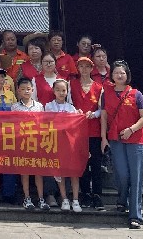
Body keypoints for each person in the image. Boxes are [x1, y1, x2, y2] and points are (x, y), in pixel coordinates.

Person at [100, 60, 143, 230]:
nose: (119, 75)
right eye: (116, 73)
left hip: (135, 140)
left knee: (135, 177)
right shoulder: (106, 93)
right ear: (111, 75)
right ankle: (122, 200)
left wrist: (131, 129)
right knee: (121, 174)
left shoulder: (136, 94)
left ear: (127, 75)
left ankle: (135, 215)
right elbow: (104, 117)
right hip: (115, 138)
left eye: (122, 73)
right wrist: (103, 138)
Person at [70, 55, 105, 209]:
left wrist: (94, 114)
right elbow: (68, 103)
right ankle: (85, 194)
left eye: (87, 66)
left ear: (92, 69)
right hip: (77, 131)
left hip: (94, 130)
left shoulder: (99, 87)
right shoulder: (72, 85)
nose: (84, 69)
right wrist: (75, 110)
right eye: (81, 66)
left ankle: (97, 195)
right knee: (81, 164)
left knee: (96, 164)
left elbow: (101, 109)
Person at [44, 79, 82, 212]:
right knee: (59, 171)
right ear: (53, 91)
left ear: (67, 92)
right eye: (58, 90)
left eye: (64, 90)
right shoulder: (48, 106)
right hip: (55, 143)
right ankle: (64, 198)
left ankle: (75, 200)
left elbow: (76, 127)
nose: (61, 93)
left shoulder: (71, 108)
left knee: (73, 171)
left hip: (69, 144)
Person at [13, 77, 47, 211]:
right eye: (23, 89)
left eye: (28, 89)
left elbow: (44, 124)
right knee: (25, 171)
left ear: (33, 90)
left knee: (38, 171)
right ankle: (27, 198)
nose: (26, 91)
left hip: (36, 142)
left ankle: (41, 198)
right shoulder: (15, 107)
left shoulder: (39, 106)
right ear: (18, 91)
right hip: (22, 143)